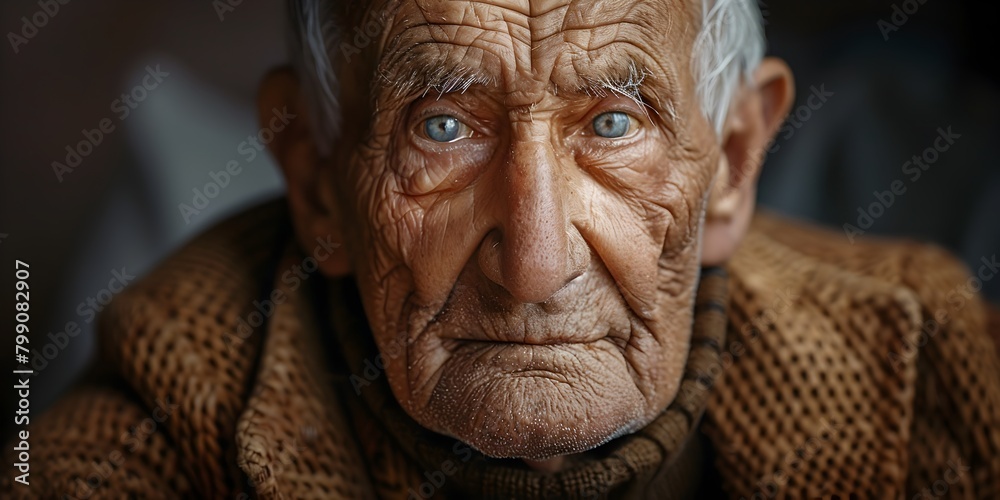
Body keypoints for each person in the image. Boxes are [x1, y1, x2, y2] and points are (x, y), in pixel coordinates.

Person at [6, 0, 999, 498]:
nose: (534, 262)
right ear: (316, 180)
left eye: (612, 123)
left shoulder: (933, 369)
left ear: (733, 161)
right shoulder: (167, 419)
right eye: (442, 127)